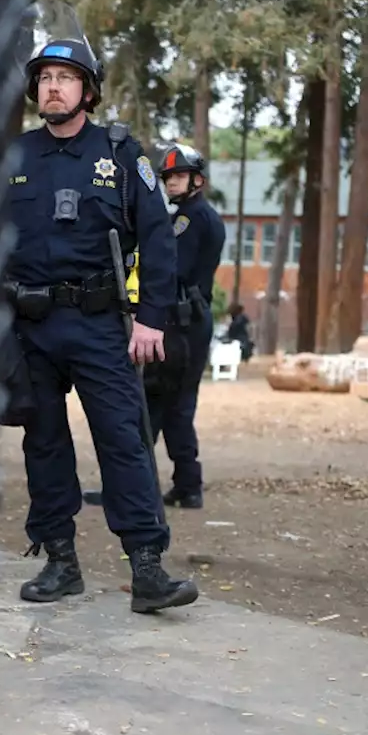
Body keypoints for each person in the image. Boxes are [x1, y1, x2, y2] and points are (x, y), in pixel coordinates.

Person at [6, 12, 198, 614]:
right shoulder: (13, 157)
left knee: (122, 439)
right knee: (43, 441)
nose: (52, 87)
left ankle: (147, 570)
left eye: (65, 77)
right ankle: (60, 562)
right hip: (27, 324)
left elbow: (159, 239)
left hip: (96, 321)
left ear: (87, 90)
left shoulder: (120, 153)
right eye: (44, 78)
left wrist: (152, 318)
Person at [149, 144, 224, 509]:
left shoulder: (189, 219)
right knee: (174, 402)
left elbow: (171, 268)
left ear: (197, 180)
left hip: (182, 321)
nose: (171, 181)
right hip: (189, 319)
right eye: (168, 176)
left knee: (157, 400)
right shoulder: (194, 215)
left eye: (178, 175)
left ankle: (141, 485)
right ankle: (185, 483)